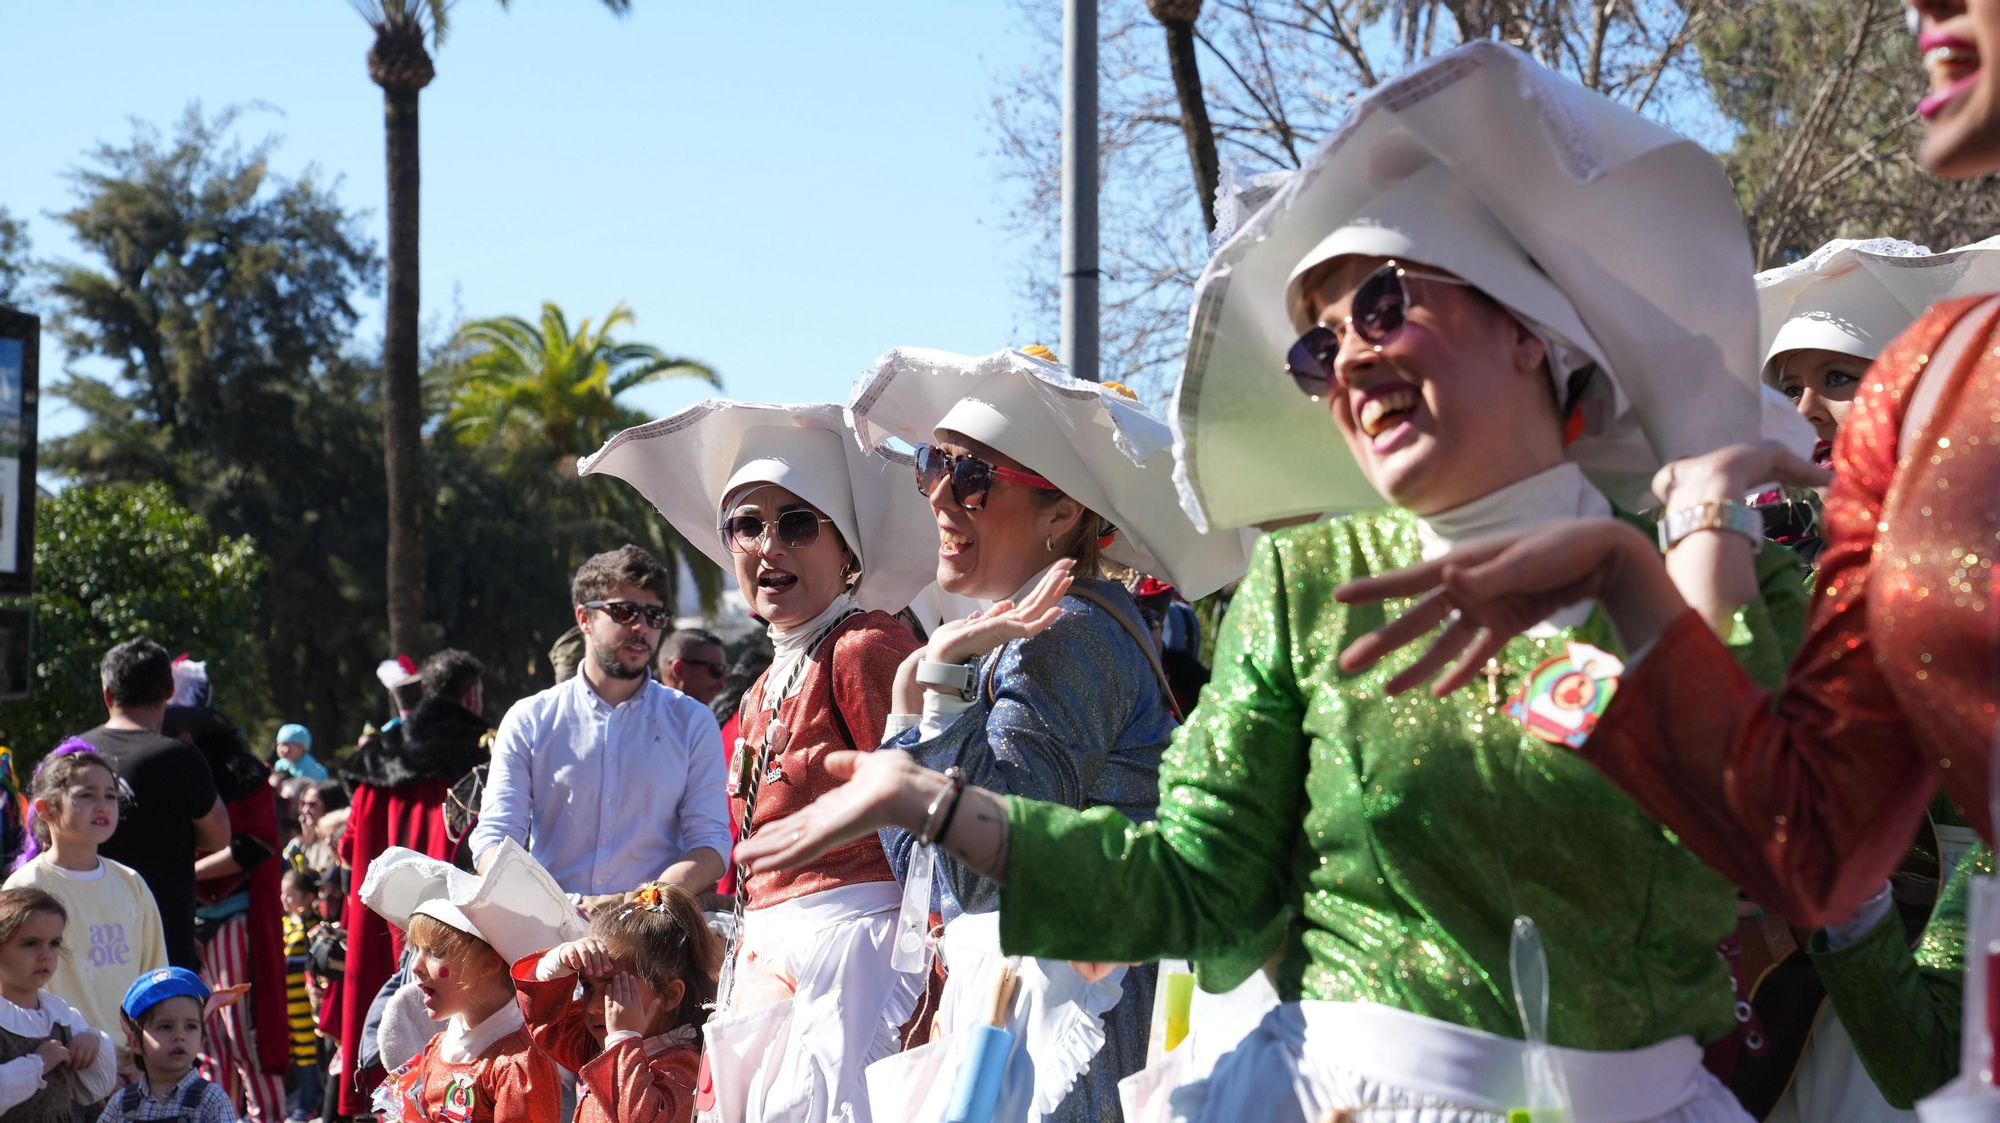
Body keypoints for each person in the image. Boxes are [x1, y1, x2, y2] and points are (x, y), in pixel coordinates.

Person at [740, 43, 1813, 1123]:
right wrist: (930, 798)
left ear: (1527, 329)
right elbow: (1204, 881)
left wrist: (1668, 564)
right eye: (1316, 347)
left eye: (1382, 305)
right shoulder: (1310, 584)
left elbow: (1776, 850)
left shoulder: (1712, 560)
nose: (1347, 360)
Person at [1327, 0, 2000, 940]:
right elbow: (1802, 847)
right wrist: (1629, 586)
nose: (1928, 6)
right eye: (1318, 347)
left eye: (1390, 308)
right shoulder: (1943, 390)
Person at [846, 344, 1252, 1121]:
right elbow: (927, 881)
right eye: (933, 463)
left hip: (1069, 1021)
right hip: (1025, 1001)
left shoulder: (1065, 633)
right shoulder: (1037, 632)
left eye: (973, 476)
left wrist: (940, 686)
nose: (940, 494)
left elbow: (980, 877)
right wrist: (910, 699)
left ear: (1062, 512)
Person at [579, 399, 939, 1123]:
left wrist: (931, 974)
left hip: (853, 963)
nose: (769, 546)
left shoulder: (865, 646)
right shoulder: (761, 685)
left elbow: (927, 824)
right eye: (747, 525)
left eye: (797, 523)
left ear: (847, 551)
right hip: (767, 960)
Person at [471, 547, 731, 909]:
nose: (641, 627)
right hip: (549, 924)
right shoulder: (530, 719)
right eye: (624, 611)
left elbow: (711, 845)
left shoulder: (692, 721)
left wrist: (640, 904)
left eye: (654, 615)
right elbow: (495, 839)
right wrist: (549, 907)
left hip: (650, 927)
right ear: (585, 618)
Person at [334, 648, 492, 1119]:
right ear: (471, 695)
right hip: (444, 921)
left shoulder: (377, 756)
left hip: (377, 916)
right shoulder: (480, 754)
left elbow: (347, 848)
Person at [358, 839, 578, 1123]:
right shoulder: (438, 1046)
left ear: (489, 964)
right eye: (416, 950)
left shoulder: (517, 1065)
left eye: (436, 952)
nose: (415, 967)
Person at [3, 745, 167, 1078]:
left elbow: (156, 977)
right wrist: (78, 1059)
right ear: (46, 810)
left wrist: (147, 1057)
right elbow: (14, 988)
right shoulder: (26, 888)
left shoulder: (131, 883)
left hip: (134, 1068)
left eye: (110, 796)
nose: (102, 805)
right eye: (86, 795)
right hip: (62, 1067)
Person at [159, 706, 285, 1121]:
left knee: (244, 1037)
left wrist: (185, 874)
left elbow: (254, 845)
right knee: (209, 1040)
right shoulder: (175, 775)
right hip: (192, 921)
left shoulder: (238, 776)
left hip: (235, 919)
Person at [75, 639, 229, 971]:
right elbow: (219, 837)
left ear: (107, 693)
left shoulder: (71, 754)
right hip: (162, 945)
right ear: (170, 691)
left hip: (86, 943)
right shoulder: (180, 757)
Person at [512, 883, 721, 1123]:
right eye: (588, 986)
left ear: (670, 994)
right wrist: (556, 965)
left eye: (614, 988)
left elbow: (640, 1118)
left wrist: (623, 1039)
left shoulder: (686, 1066)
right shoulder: (598, 1043)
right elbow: (549, 1023)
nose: (593, 1006)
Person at [0, 887, 119, 1121]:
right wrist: (38, 1065)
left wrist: (92, 1041)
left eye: (54, 943)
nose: (46, 955)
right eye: (30, 943)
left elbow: (97, 1087)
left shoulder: (59, 1014)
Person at [101, 969, 236, 1123]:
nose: (180, 1036)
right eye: (165, 1026)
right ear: (136, 1042)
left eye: (190, 1026)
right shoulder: (120, 1105)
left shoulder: (212, 1100)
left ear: (201, 1040)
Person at [280, 869, 322, 1123]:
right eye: (282, 894)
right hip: (288, 1005)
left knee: (308, 1054)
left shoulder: (313, 925)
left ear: (308, 897)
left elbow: (310, 961)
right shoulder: (286, 923)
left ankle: (309, 1104)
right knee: (295, 1052)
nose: (284, 900)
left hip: (305, 1006)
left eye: (290, 895)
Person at [657, 629, 728, 708]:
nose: (722, 682)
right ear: (679, 670)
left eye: (726, 670)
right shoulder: (648, 712)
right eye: (717, 669)